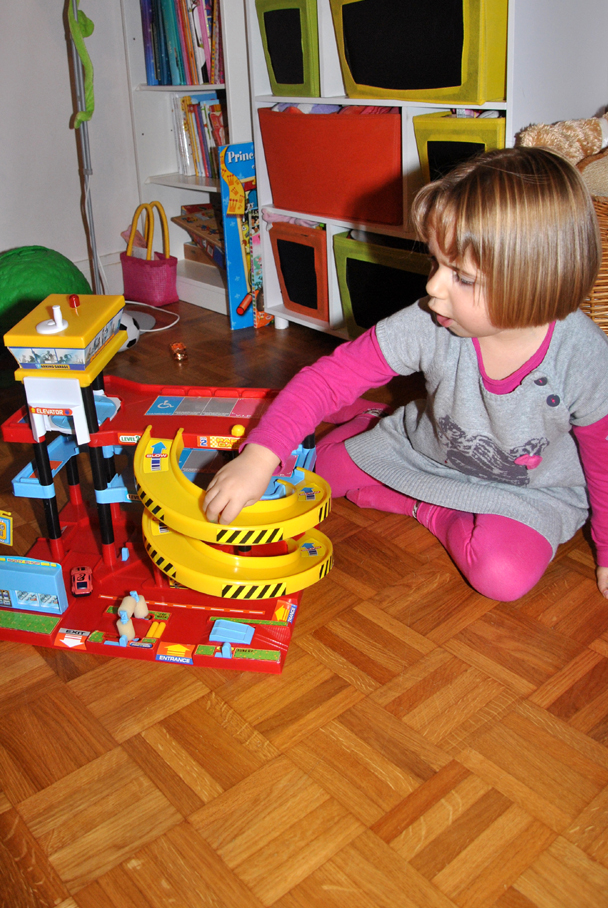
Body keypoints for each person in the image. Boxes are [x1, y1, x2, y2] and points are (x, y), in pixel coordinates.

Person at [204, 147, 608, 602]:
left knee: (502, 577)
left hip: (531, 491)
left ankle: (430, 509)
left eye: (462, 276)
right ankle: (373, 423)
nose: (432, 285)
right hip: (426, 453)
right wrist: (260, 457)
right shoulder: (430, 320)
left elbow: (604, 460)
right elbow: (328, 379)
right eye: (436, 262)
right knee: (318, 480)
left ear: (533, 280)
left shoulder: (583, 356)